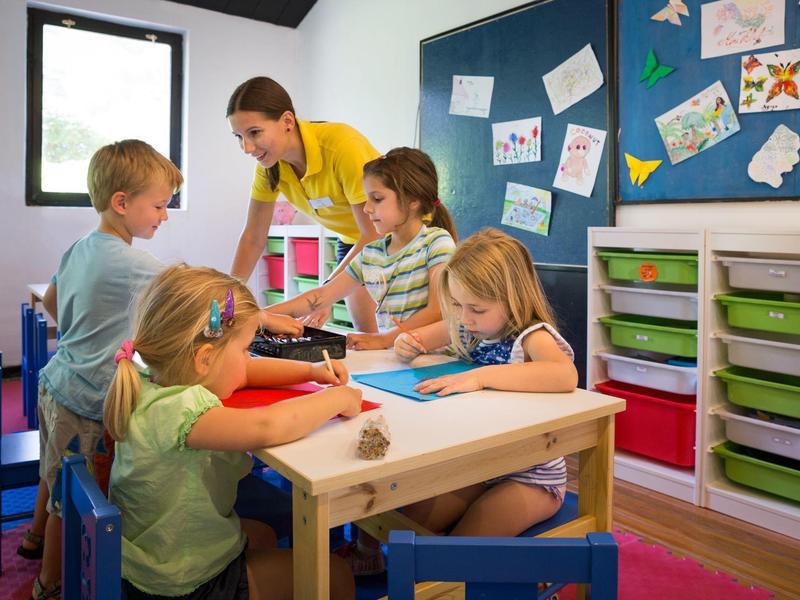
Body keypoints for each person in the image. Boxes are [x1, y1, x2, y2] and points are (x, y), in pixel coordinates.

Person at [106, 264, 361, 599]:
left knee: (264, 534)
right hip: (182, 583)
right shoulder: (182, 409)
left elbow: (243, 374)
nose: (248, 359)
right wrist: (337, 398)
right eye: (244, 350)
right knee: (336, 575)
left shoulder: (149, 379)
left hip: (147, 557)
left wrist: (311, 370)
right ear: (205, 359)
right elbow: (268, 425)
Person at [27, 140, 183, 600]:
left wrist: (86, 335)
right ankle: (49, 585)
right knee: (69, 502)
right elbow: (192, 295)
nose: (165, 216)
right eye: (158, 205)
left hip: (56, 382)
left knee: (52, 471)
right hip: (84, 400)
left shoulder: (80, 245)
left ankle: (32, 539)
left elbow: (53, 302)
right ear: (121, 202)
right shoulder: (134, 262)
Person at [393, 228, 578, 538]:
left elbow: (565, 374)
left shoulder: (531, 336)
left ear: (513, 299)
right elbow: (420, 338)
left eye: (476, 309)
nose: (465, 318)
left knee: (464, 544)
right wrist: (407, 341)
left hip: (530, 475)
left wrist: (478, 377)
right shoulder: (469, 326)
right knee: (410, 525)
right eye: (457, 305)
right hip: (478, 465)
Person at [227, 76, 382, 332]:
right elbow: (253, 237)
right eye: (238, 137)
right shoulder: (269, 167)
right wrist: (229, 295)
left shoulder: (342, 147)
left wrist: (328, 290)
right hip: (353, 242)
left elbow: (374, 233)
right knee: (367, 338)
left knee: (404, 338)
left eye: (254, 132)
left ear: (287, 121)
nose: (247, 147)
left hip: (394, 240)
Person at [266, 147, 458, 351]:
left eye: (377, 199)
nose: (366, 208)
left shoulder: (437, 243)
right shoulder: (371, 253)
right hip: (398, 357)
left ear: (412, 200)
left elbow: (438, 310)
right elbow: (321, 296)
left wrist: (384, 339)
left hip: (435, 358)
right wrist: (260, 315)